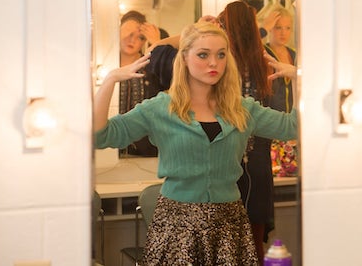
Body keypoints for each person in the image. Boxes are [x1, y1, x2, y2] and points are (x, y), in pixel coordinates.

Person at [94, 21, 297, 265]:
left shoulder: (242, 108)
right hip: (176, 225)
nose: (214, 63)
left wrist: (298, 78)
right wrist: (109, 81)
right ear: (185, 58)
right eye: (203, 54)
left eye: (221, 55)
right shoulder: (160, 108)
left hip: (229, 224)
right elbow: (100, 135)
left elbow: (293, 127)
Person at [144, 0, 287, 264]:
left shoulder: (214, 66)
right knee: (249, 244)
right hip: (255, 166)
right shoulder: (263, 62)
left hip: (234, 174)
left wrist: (194, 31)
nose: (214, 62)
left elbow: (156, 50)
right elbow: (282, 114)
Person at [118, 10, 165, 156]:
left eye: (140, 37)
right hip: (108, 150)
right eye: (129, 33)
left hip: (145, 153)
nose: (132, 40)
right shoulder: (103, 66)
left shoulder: (151, 68)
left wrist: (157, 44)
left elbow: (172, 87)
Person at [263, 5, 298, 177]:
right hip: (272, 125)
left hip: (293, 125)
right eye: (278, 27)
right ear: (269, 28)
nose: (283, 33)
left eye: (287, 28)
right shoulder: (262, 54)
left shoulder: (295, 54)